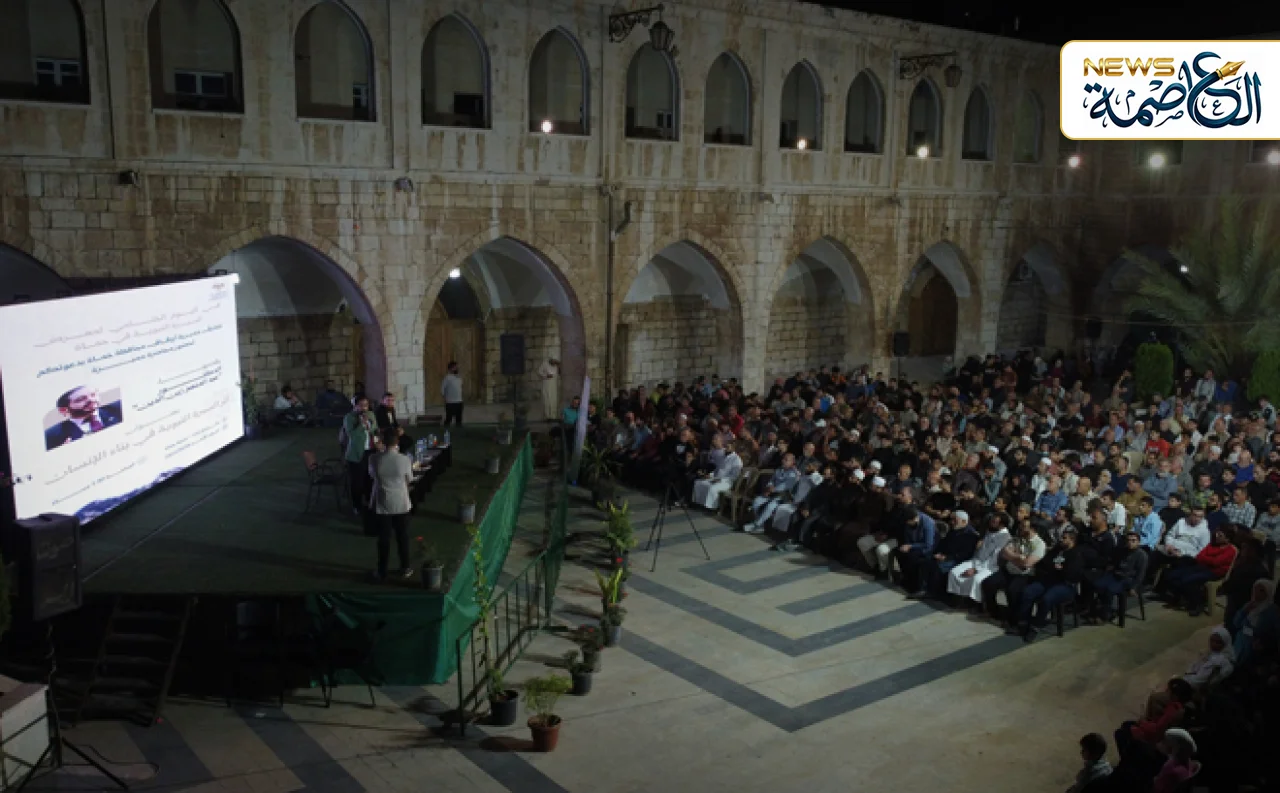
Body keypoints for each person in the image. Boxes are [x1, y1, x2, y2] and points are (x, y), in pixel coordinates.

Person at [367, 427, 414, 581]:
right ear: (397, 442)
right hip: (401, 502)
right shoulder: (404, 459)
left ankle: (382, 570)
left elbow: (372, 475)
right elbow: (409, 479)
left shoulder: (374, 459)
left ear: (382, 441)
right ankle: (405, 567)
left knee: (384, 539)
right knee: (403, 537)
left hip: (382, 502)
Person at [1158, 526, 1237, 616]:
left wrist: (1206, 559)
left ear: (1227, 539)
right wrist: (1208, 560)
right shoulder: (1212, 544)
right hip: (1201, 567)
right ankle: (1182, 598)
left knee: (1189, 580)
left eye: (1220, 535)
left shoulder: (1231, 550)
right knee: (1174, 575)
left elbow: (1216, 562)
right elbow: (1199, 557)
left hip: (1214, 572)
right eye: (1217, 533)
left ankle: (1197, 604)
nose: (1216, 536)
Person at [982, 517, 1046, 625]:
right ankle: (994, 612)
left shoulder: (1039, 544)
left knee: (1013, 590)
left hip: (1025, 575)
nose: (1020, 528)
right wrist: (1018, 557)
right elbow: (1004, 553)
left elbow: (1027, 564)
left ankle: (1014, 619)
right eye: (1020, 525)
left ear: (1033, 529)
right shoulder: (1017, 539)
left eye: (1024, 527)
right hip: (1008, 570)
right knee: (988, 583)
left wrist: (1012, 556)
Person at [45, 385, 123, 449]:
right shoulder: (51, 435)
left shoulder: (118, 408)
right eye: (80, 399)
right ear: (64, 410)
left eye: (93, 395)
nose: (91, 400)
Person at [342, 396, 377, 515]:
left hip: (370, 451)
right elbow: (351, 435)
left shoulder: (371, 414)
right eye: (361, 405)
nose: (364, 408)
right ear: (355, 405)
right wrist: (361, 424)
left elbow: (374, 428)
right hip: (356, 454)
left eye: (366, 405)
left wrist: (370, 426)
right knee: (357, 482)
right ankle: (357, 505)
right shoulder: (349, 417)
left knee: (370, 479)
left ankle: (369, 502)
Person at [692, 439, 742, 510]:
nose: (725, 448)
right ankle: (699, 503)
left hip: (727, 482)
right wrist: (710, 475)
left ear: (733, 448)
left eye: (728, 447)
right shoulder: (722, 457)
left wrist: (721, 480)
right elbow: (717, 469)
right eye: (725, 446)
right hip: (715, 478)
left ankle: (711, 508)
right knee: (698, 483)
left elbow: (734, 476)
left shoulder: (736, 460)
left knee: (712, 488)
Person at [537, 357, 561, 422]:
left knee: (554, 400)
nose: (554, 363)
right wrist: (546, 376)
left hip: (554, 384)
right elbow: (539, 372)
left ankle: (553, 416)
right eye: (553, 361)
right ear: (551, 360)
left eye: (555, 362)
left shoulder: (556, 365)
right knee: (547, 399)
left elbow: (559, 373)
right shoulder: (545, 363)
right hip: (546, 384)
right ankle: (547, 416)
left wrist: (559, 366)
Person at [441, 361, 464, 426]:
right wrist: (446, 400)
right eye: (455, 367)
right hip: (450, 402)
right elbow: (442, 390)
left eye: (457, 367)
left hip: (459, 402)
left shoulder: (459, 378)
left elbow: (460, 387)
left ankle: (458, 431)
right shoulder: (447, 378)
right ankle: (446, 431)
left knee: (459, 420)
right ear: (450, 368)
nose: (457, 368)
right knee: (448, 419)